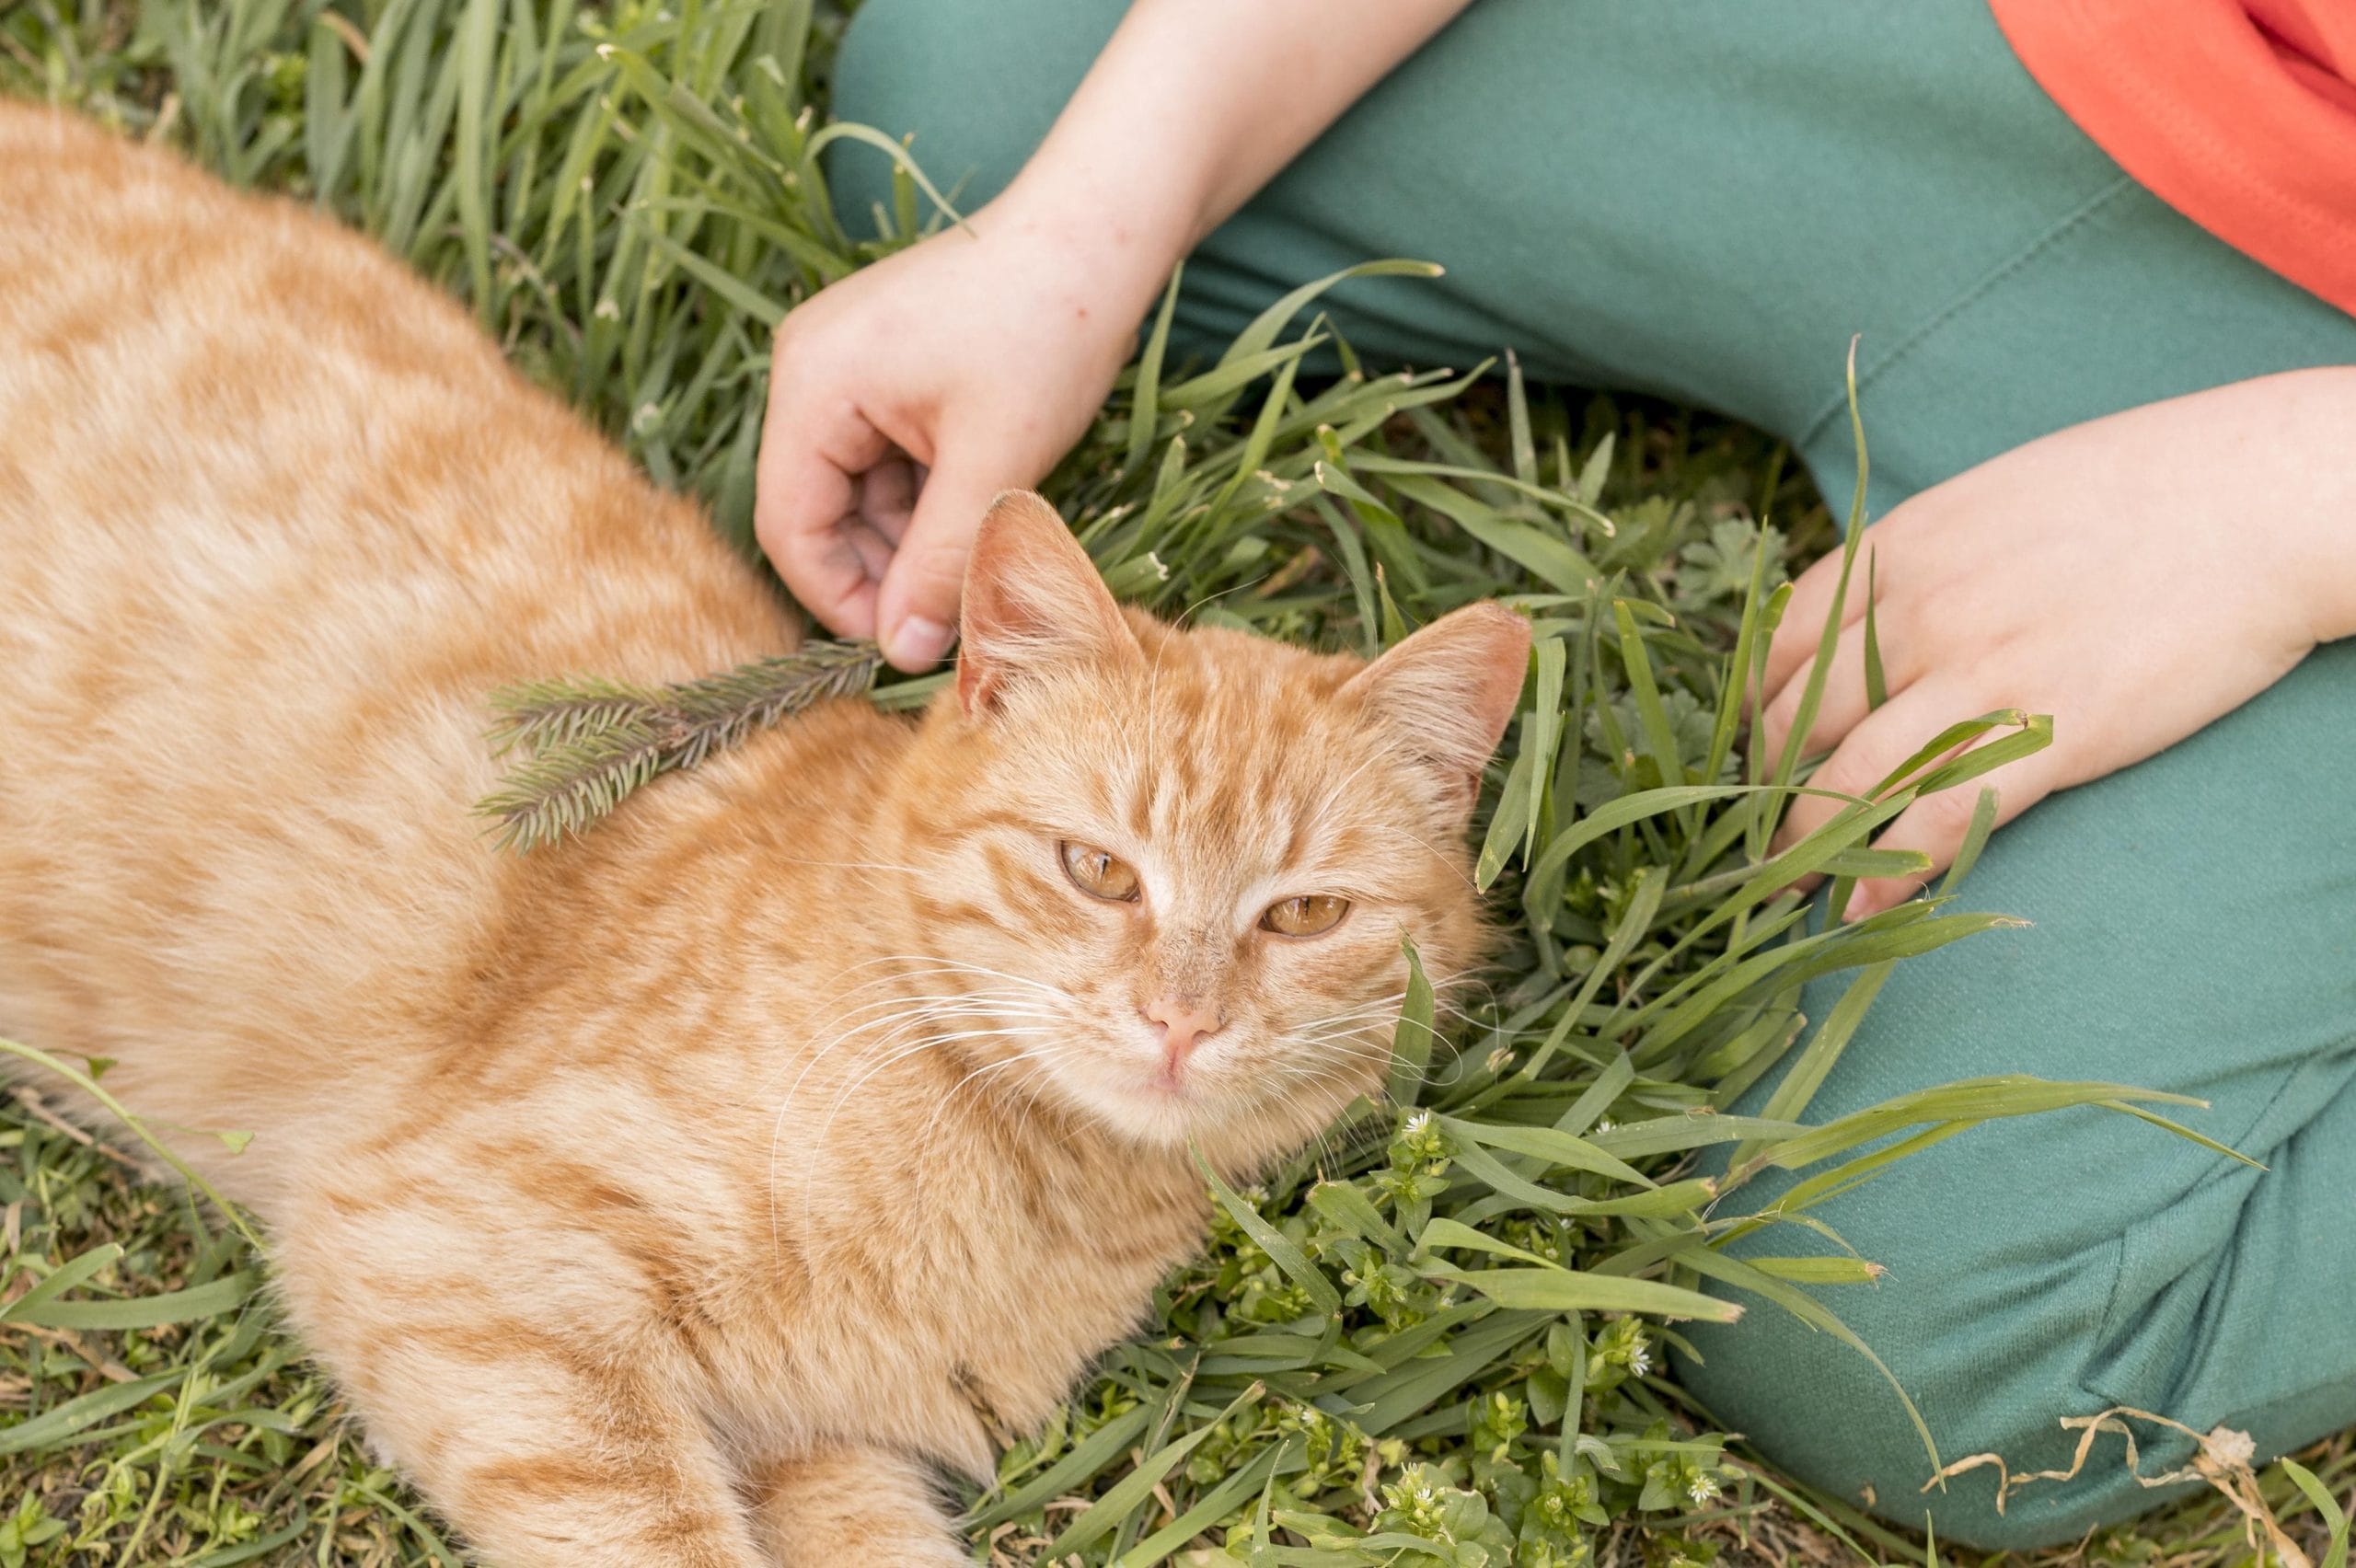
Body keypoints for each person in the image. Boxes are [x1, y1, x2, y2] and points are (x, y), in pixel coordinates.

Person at [751, 0, 2356, 1548]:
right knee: (967, 112)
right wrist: (1070, 239)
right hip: (2112, 62)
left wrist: (2281, 511)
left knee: (1922, 1338)